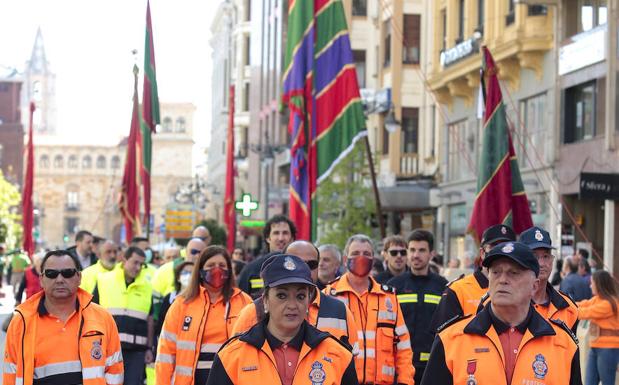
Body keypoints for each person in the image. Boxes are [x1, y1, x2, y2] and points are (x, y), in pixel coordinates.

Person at [421, 242, 582, 385]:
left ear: (534, 286)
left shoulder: (563, 344)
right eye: (496, 272)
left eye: (513, 273)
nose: (503, 280)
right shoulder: (451, 340)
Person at [207, 253, 359, 385]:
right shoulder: (232, 357)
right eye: (282, 295)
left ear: (309, 301)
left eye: (300, 296)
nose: (292, 305)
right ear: (265, 300)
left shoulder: (338, 356)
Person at [3, 250, 123, 385]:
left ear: (79, 277)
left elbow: (115, 374)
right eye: (51, 274)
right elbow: (10, 376)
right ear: (41, 280)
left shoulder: (102, 318)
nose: (60, 279)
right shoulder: (21, 323)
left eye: (67, 273)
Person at [232, 241, 359, 353]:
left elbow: (352, 366)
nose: (303, 269)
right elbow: (235, 359)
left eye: (311, 264)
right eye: (296, 262)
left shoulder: (340, 311)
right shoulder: (253, 312)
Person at [324, 234, 414, 385]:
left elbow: (403, 347)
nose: (361, 258)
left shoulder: (388, 298)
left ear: (373, 261)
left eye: (366, 254)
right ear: (345, 260)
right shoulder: (328, 296)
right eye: (355, 254)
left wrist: (405, 381)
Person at [156, 245, 252, 384]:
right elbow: (166, 353)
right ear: (200, 271)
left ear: (229, 270)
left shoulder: (244, 302)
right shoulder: (182, 304)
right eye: (211, 265)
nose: (217, 269)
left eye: (222, 265)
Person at [388, 229, 448, 385]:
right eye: (412, 250)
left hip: (433, 367)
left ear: (431, 254)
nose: (415, 255)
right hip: (400, 366)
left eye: (422, 250)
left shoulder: (443, 286)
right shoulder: (394, 286)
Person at [430, 224, 516, 332]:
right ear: (482, 253)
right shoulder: (458, 290)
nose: (500, 252)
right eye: (494, 246)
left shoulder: (521, 289)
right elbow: (443, 338)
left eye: (506, 247)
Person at [92, 246, 154, 385]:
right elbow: (92, 312)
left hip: (136, 352)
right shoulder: (104, 280)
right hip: (108, 348)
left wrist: (149, 348)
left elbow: (150, 320)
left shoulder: (147, 287)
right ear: (124, 260)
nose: (138, 267)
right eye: (135, 262)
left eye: (141, 264)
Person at [518, 226, 579, 331]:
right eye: (534, 256)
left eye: (546, 256)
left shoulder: (568, 308)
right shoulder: (505, 304)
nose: (541, 264)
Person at [237, 214, 296, 298]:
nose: (281, 238)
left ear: (292, 238)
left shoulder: (301, 268)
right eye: (276, 233)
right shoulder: (251, 270)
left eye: (285, 233)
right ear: (268, 238)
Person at [577, 270, 619, 385]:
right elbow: (582, 304)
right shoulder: (597, 299)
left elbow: (585, 312)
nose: (591, 286)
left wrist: (568, 310)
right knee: (589, 382)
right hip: (595, 346)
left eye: (592, 283)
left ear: (599, 285)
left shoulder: (610, 304)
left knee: (607, 383)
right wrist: (565, 303)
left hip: (608, 348)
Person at [151, 237, 207, 319]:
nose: (197, 255)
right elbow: (155, 296)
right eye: (193, 252)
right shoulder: (165, 270)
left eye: (201, 253)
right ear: (186, 253)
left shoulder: (208, 272)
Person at [154, 261, 194, 339]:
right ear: (178, 277)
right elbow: (161, 324)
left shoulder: (202, 298)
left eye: (192, 273)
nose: (188, 276)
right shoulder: (170, 298)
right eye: (185, 272)